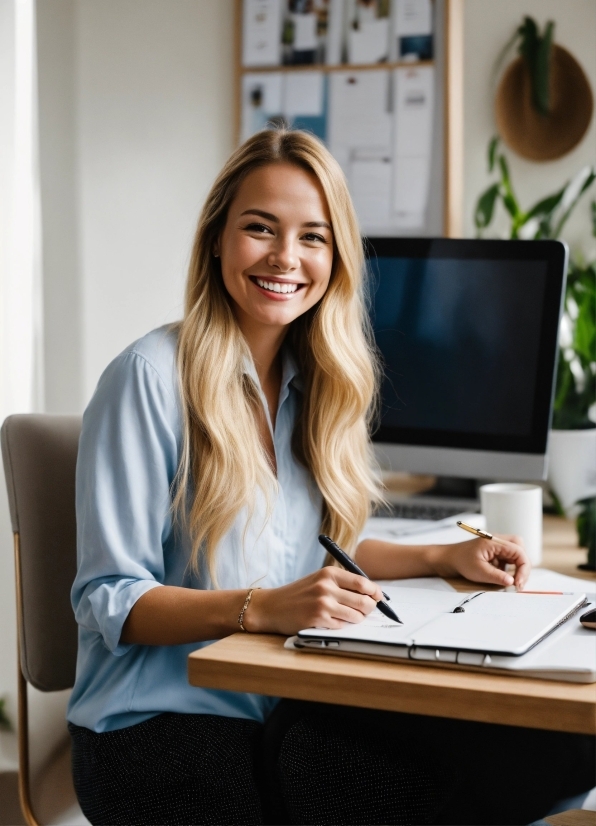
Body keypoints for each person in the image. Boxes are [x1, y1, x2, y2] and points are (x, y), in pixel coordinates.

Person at [67, 127, 594, 826]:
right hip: (154, 726)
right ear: (218, 240)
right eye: (260, 228)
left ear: (336, 257)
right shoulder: (149, 377)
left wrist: (443, 554)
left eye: (312, 237)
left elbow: (313, 549)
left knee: (526, 756)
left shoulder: (313, 387)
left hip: (280, 703)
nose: (286, 257)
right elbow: (110, 599)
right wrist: (259, 607)